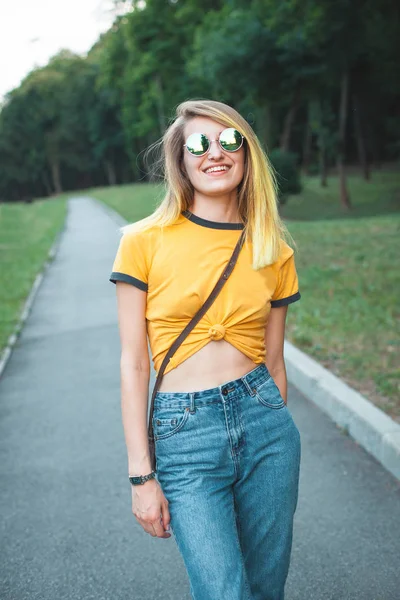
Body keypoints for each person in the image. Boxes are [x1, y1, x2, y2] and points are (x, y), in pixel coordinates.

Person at [109, 99, 302, 600]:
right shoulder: (143, 241)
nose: (215, 154)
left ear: (247, 152)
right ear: (181, 160)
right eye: (198, 144)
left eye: (229, 140)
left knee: (264, 588)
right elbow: (133, 363)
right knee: (223, 591)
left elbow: (275, 361)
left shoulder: (273, 248)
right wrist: (140, 476)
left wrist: (272, 417)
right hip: (184, 434)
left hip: (266, 426)